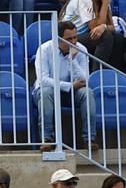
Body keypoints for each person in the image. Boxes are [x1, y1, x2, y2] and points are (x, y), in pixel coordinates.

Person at [33, 20, 92, 150]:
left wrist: (73, 60)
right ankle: (46, 139)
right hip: (49, 91)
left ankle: (89, 138)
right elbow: (43, 79)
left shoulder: (81, 49)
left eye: (75, 37)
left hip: (71, 93)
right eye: (69, 39)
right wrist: (69, 85)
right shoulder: (44, 49)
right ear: (58, 38)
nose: (73, 42)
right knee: (46, 91)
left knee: (87, 92)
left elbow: (84, 79)